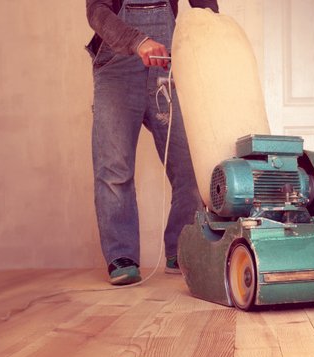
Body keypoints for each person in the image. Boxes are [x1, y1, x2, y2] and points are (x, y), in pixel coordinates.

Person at [85, 0, 218, 285]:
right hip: (116, 69)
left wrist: (211, 40)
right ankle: (122, 257)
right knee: (114, 169)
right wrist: (138, 41)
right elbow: (96, 12)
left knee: (192, 165)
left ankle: (182, 248)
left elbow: (205, 8)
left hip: (168, 64)